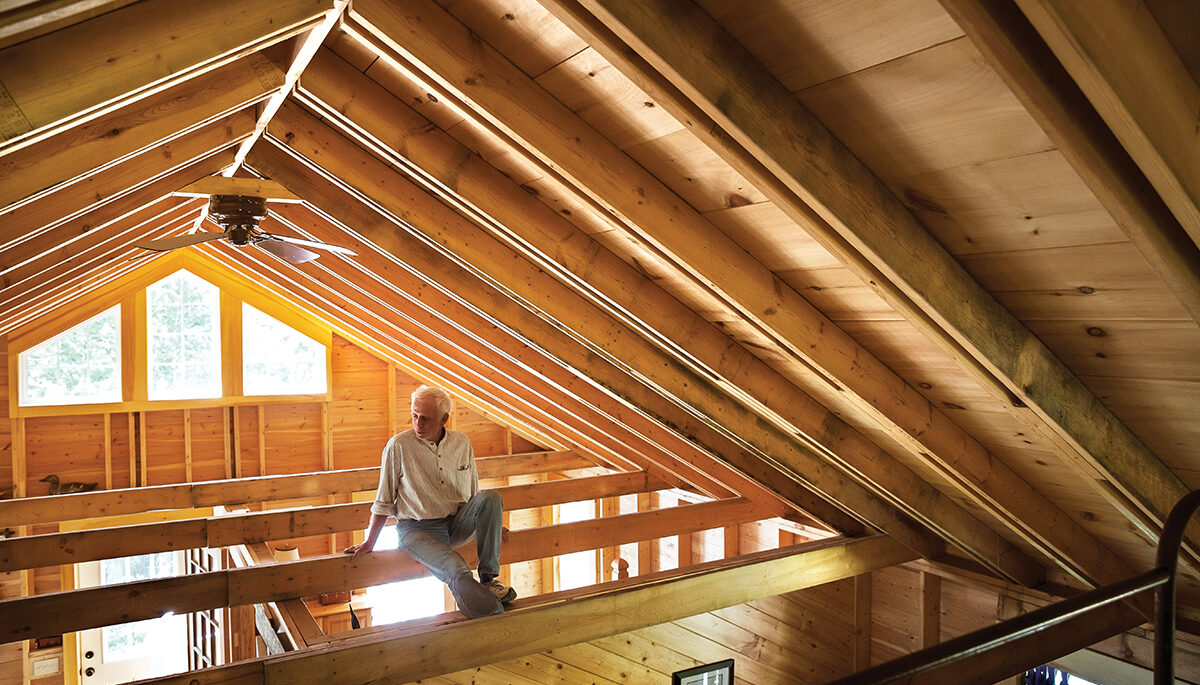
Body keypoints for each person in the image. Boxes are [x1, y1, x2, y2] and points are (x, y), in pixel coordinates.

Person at [345, 385, 516, 618]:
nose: (418, 423)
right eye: (414, 415)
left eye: (425, 418)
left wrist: (490, 527)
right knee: (456, 567)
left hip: (456, 523)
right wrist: (370, 542)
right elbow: (383, 499)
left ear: (444, 419)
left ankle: (489, 581)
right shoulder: (398, 446)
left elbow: (475, 494)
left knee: (492, 497)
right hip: (417, 531)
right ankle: (492, 616)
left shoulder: (462, 443)